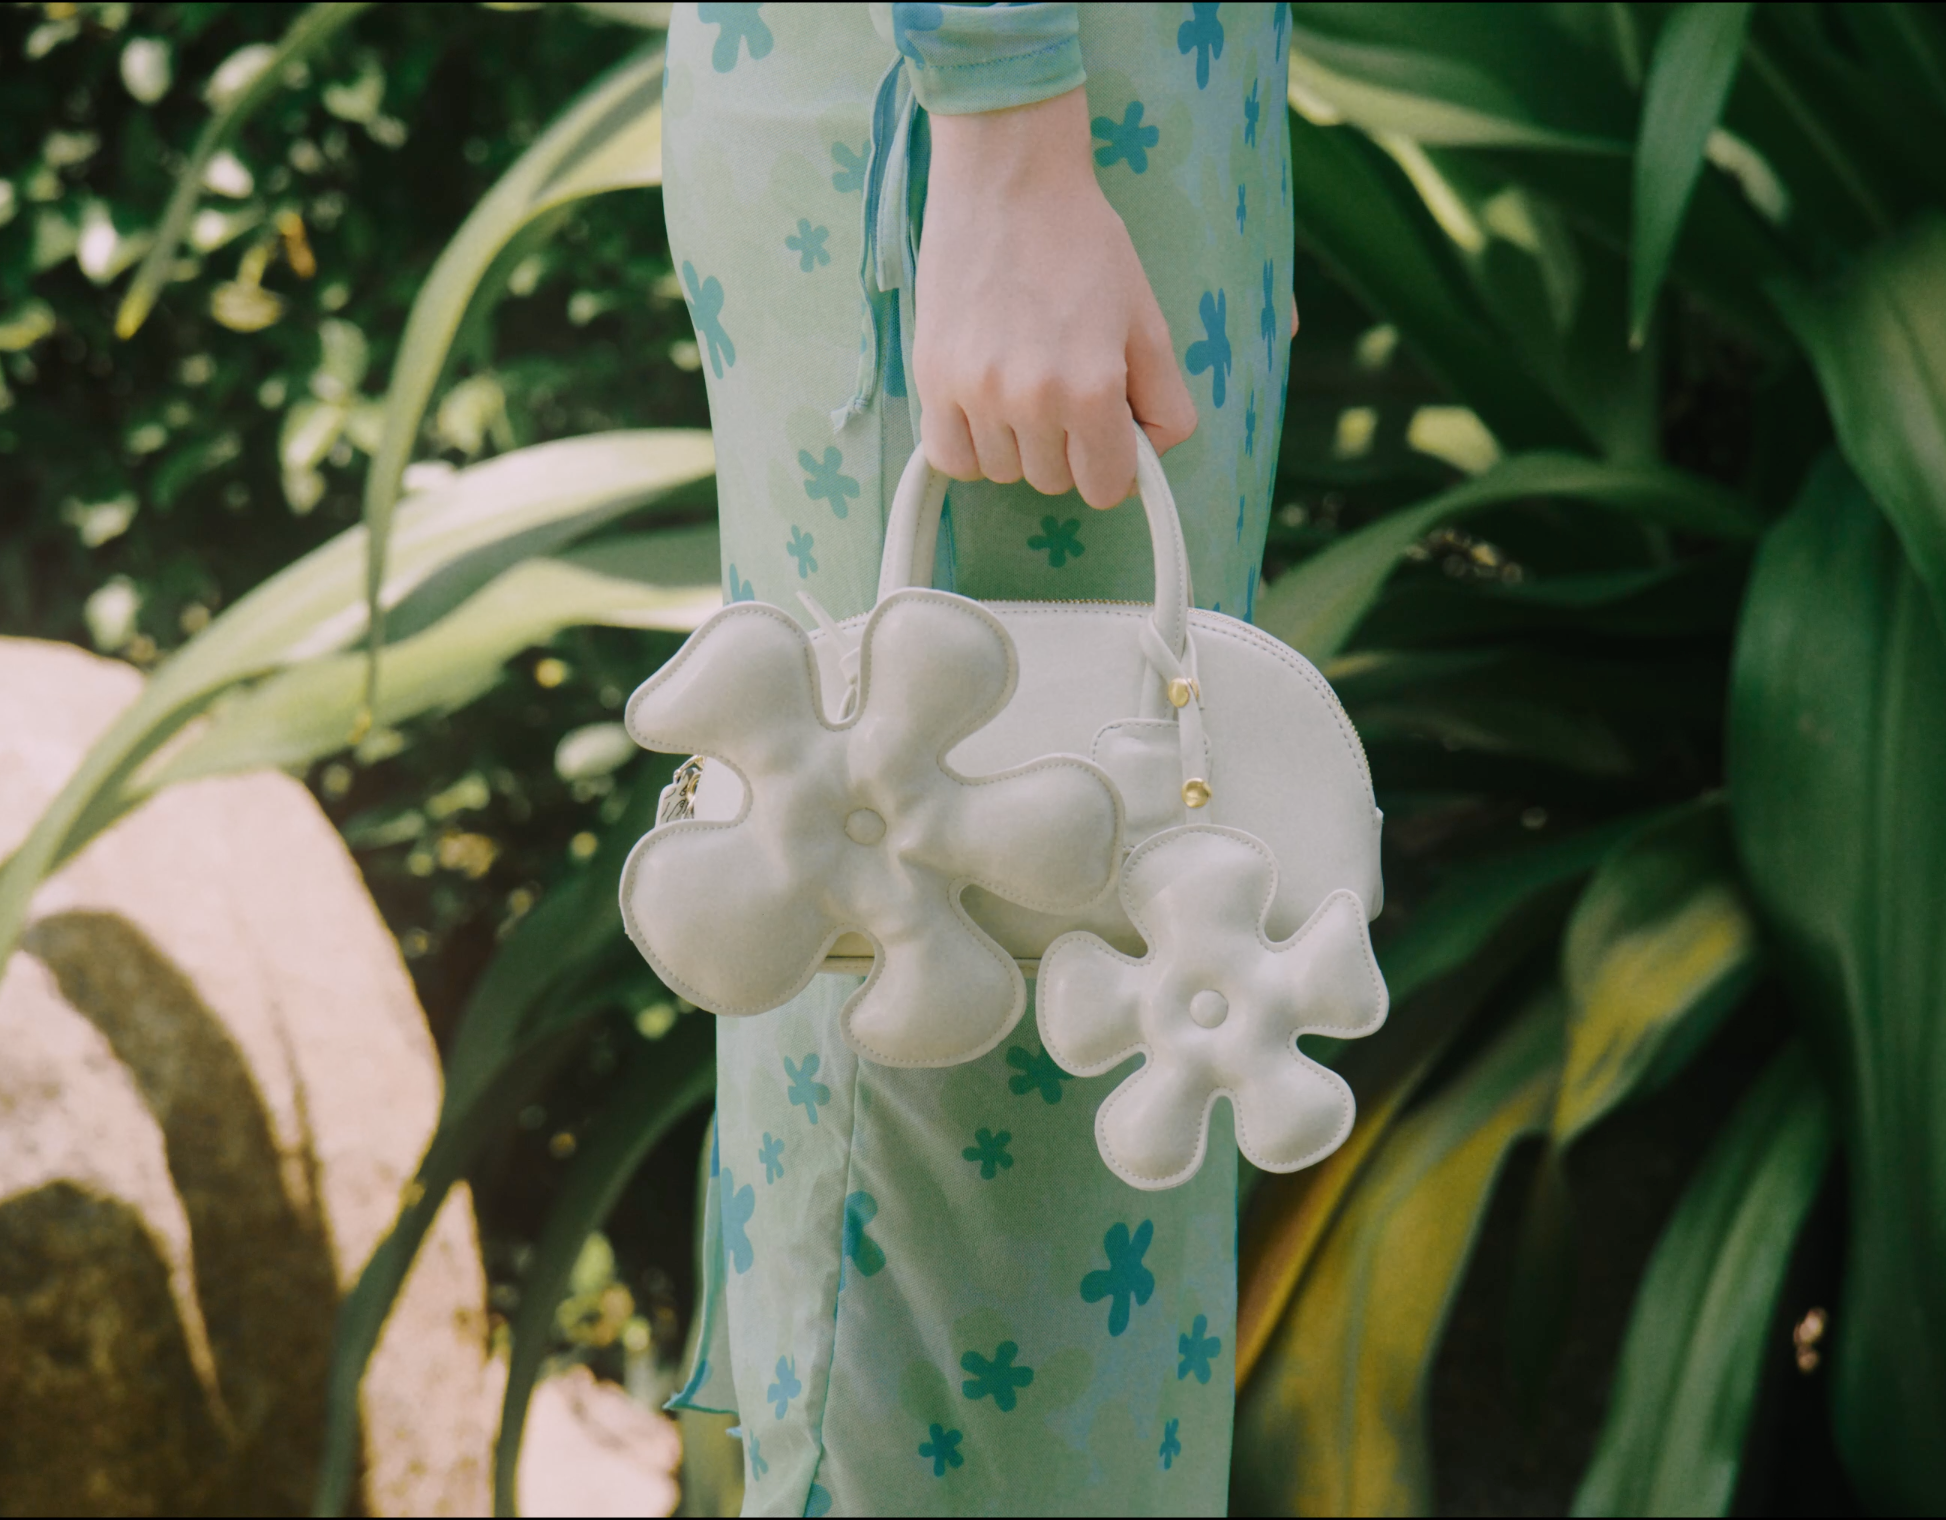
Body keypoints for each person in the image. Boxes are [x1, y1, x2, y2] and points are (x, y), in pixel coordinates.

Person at [660, 5, 1294, 1512]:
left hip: (1126, 113)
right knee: (959, 1154)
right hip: (1006, 130)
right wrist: (1005, 120)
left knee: (1101, 1028)